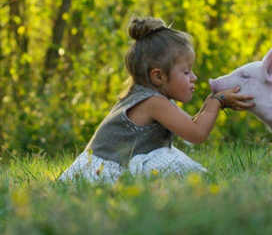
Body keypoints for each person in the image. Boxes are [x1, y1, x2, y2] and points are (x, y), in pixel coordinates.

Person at [58, 16, 254, 183]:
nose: (194, 77)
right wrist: (216, 102)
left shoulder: (147, 97)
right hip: (106, 173)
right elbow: (196, 134)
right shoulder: (153, 102)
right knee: (182, 172)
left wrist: (210, 104)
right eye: (186, 72)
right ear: (158, 76)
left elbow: (189, 125)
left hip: (117, 162)